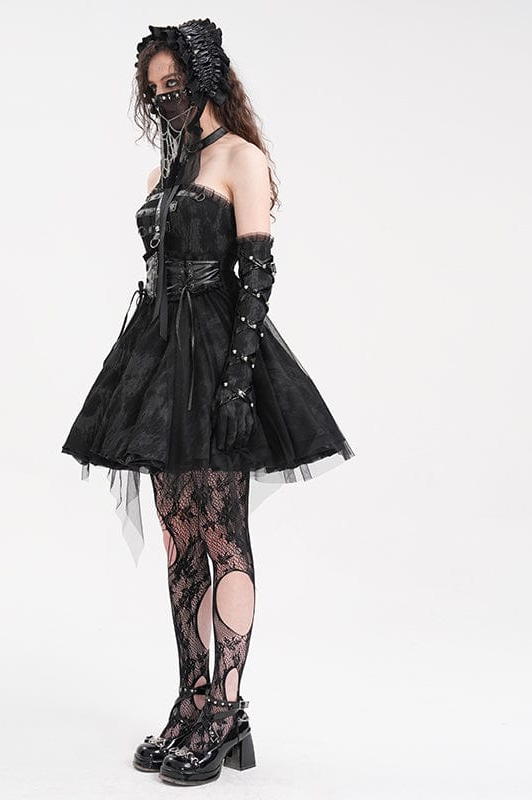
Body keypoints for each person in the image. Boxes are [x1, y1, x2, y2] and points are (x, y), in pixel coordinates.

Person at [61, 18, 355, 786]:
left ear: (205, 76)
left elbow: (256, 277)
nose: (165, 100)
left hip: (221, 356)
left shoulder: (241, 158)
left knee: (223, 534)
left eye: (176, 85)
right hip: (161, 359)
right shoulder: (167, 168)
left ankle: (227, 708)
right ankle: (192, 697)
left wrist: (237, 384)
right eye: (154, 90)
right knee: (179, 540)